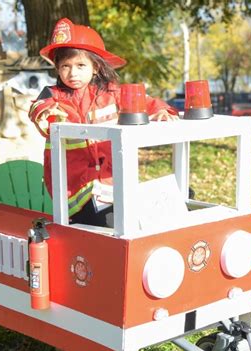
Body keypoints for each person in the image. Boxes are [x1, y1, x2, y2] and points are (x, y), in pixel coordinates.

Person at [29, 18, 178, 227]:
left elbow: (144, 102)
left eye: (81, 65)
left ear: (96, 67)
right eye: (65, 66)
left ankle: (175, 204)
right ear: (58, 69)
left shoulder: (111, 93)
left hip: (111, 179)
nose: (72, 73)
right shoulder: (52, 95)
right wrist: (46, 114)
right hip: (74, 187)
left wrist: (162, 110)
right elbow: (38, 109)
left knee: (132, 219)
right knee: (104, 224)